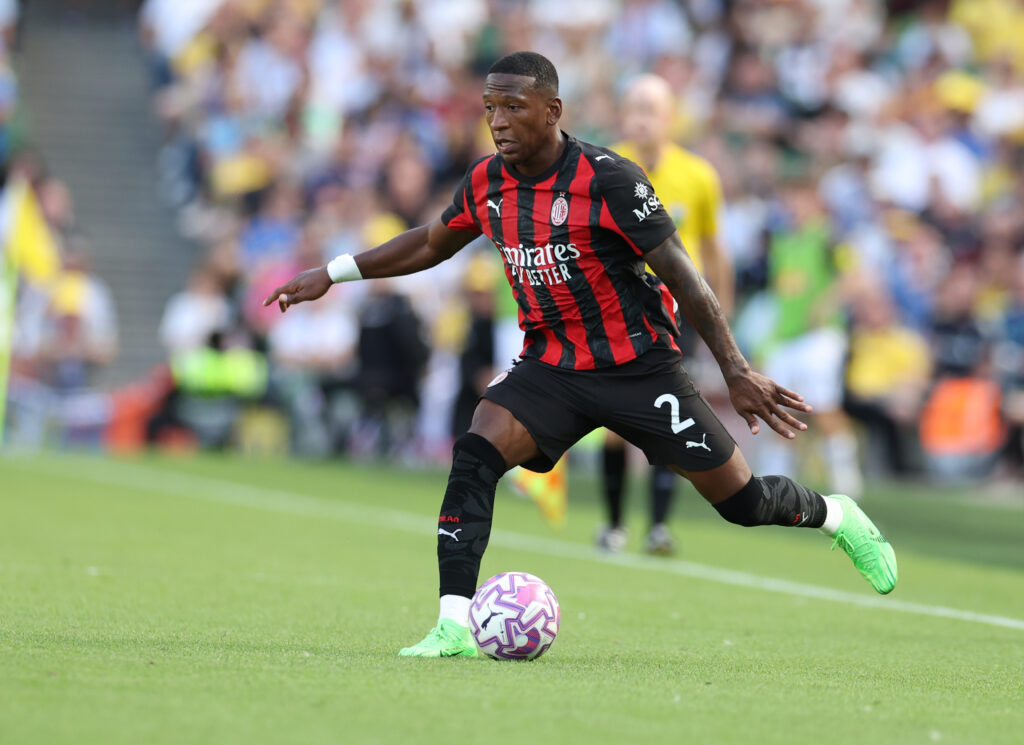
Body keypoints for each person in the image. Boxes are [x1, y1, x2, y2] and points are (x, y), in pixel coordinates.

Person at [264, 52, 898, 659]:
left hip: (640, 369)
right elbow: (432, 243)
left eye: (513, 106)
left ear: (553, 109)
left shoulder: (611, 180)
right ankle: (453, 625)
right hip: (552, 369)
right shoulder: (487, 181)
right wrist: (335, 270)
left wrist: (734, 367)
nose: (498, 121)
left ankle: (836, 515)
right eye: (489, 107)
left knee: (745, 504)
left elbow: (684, 275)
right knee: (475, 453)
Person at [596, 73, 734, 556]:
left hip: (676, 317)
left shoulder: (698, 176)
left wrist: (719, 314)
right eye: (634, 108)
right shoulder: (603, 166)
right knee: (615, 426)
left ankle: (657, 526)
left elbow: (715, 249)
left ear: (670, 118)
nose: (641, 119)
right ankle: (613, 523)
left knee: (671, 417)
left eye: (651, 109)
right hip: (618, 313)